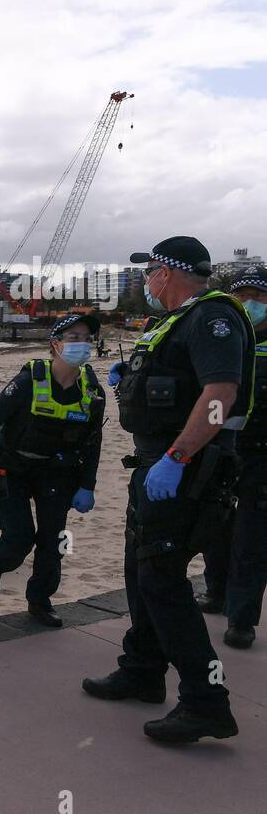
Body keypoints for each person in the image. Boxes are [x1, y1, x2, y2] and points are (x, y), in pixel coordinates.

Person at [83, 236, 254, 743]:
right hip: (155, 465)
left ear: (171, 272)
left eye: (151, 270)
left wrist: (178, 458)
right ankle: (142, 669)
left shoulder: (212, 317)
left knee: (162, 577)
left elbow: (221, 395)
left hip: (184, 467)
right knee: (140, 572)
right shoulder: (174, 322)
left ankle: (206, 701)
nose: (146, 280)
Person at [0, 316, 105, 625]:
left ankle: (40, 600)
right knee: (20, 538)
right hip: (12, 468)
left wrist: (88, 484)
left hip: (57, 473)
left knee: (54, 540)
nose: (82, 343)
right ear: (56, 344)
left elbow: (93, 442)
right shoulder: (27, 382)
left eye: (87, 338)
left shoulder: (92, 391)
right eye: (73, 336)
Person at [194, 265, 267, 650]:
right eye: (244, 295)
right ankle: (216, 591)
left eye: (259, 296)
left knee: (251, 538)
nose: (251, 303)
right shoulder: (224, 337)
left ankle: (241, 618)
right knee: (215, 528)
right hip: (221, 448)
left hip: (260, 454)